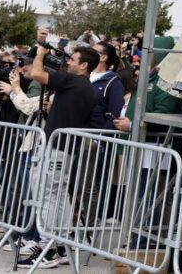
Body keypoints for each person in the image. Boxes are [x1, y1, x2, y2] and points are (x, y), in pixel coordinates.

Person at [20, 42, 99, 269]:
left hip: (57, 148)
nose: (68, 62)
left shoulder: (73, 81)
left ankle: (48, 247)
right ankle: (61, 244)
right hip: (65, 148)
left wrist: (40, 54)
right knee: (59, 196)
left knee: (48, 195)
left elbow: (36, 74)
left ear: (84, 65)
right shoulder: (85, 86)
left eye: (73, 60)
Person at [88, 42, 125, 130]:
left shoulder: (114, 83)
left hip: (93, 134)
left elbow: (114, 114)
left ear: (103, 57)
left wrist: (101, 137)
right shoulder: (82, 74)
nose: (88, 53)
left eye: (92, 51)